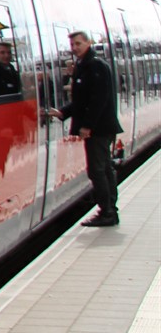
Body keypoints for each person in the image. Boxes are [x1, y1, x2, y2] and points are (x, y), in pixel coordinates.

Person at [49, 30, 123, 227]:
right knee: (104, 168)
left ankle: (107, 212)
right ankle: (109, 210)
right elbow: (82, 101)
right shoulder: (83, 66)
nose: (75, 48)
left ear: (89, 42)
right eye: (72, 45)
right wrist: (62, 112)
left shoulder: (95, 66)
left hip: (99, 129)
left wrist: (88, 126)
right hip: (97, 128)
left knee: (97, 171)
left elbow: (99, 99)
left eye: (78, 44)